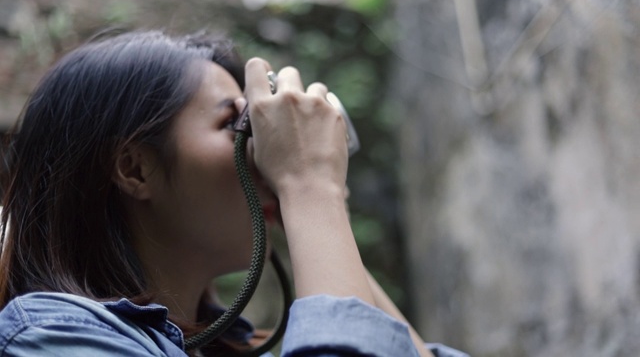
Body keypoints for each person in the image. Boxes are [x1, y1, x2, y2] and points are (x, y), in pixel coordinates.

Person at [0, 30, 467, 357]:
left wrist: (317, 201)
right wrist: (309, 187)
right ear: (135, 168)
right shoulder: (51, 336)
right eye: (235, 126)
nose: (263, 152)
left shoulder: (224, 347)